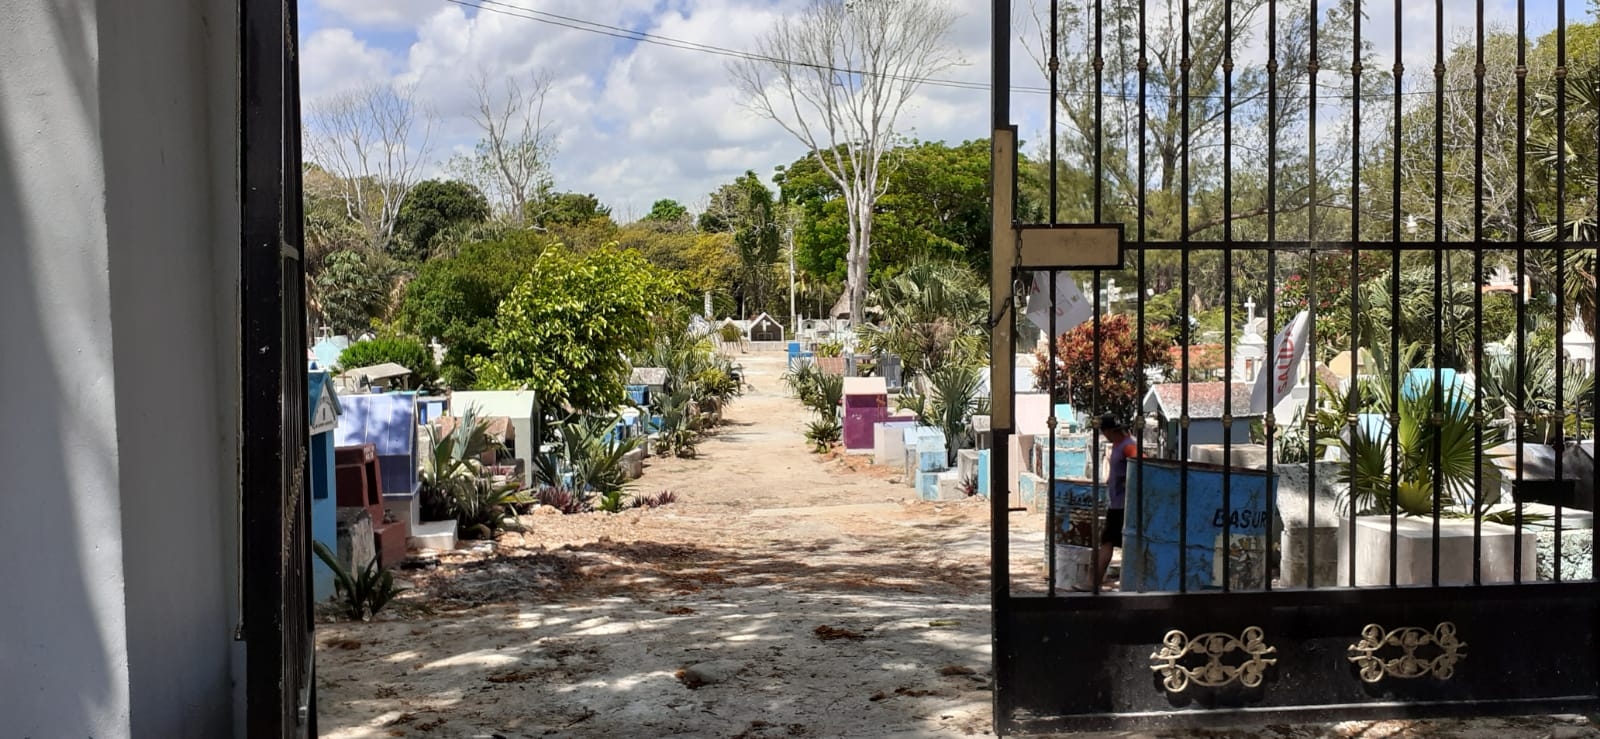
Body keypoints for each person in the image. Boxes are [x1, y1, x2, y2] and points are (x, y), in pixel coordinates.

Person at [1097, 414, 1137, 589]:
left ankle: (1095, 581)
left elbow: (1141, 461)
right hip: (1118, 503)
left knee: (1107, 542)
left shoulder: (1127, 446)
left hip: (1122, 505)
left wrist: (1127, 480)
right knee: (1117, 542)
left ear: (1108, 431)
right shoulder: (1119, 444)